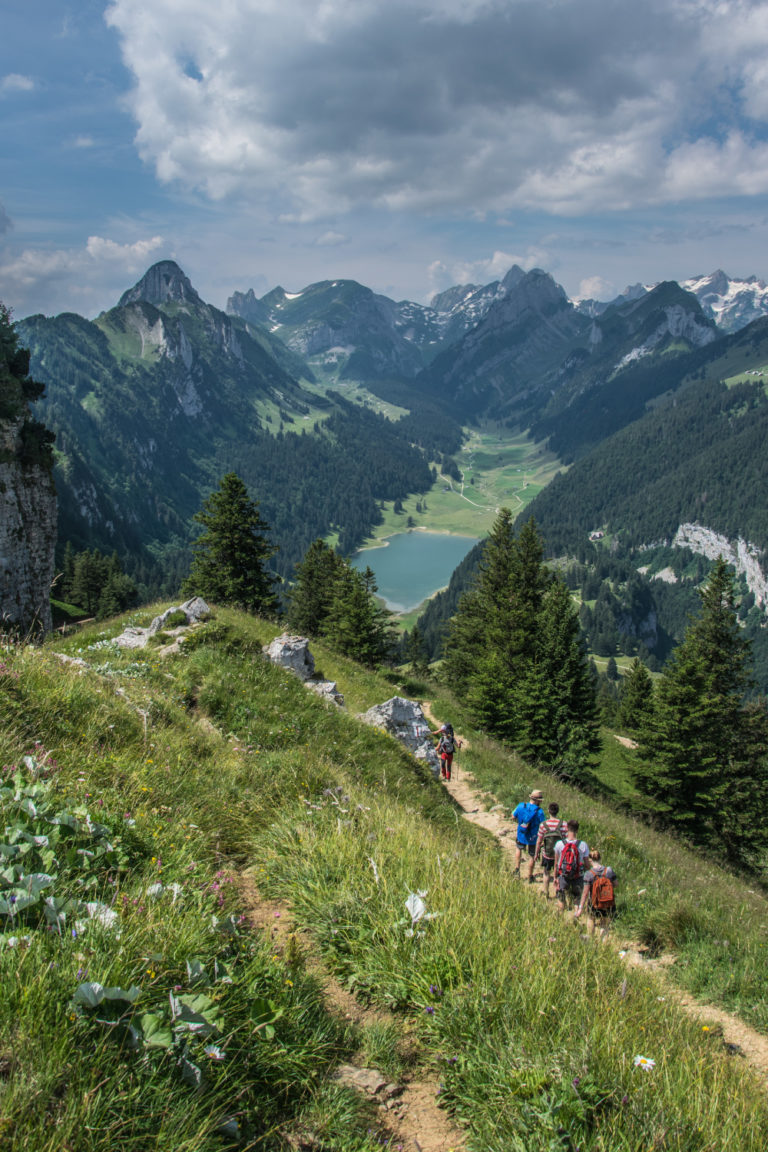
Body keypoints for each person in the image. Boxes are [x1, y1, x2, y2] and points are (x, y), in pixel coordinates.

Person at [576, 849, 617, 938]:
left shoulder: (588, 874)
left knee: (591, 919)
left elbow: (585, 893)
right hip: (607, 902)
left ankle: (591, 941)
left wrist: (580, 907)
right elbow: (616, 884)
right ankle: (603, 944)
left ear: (590, 860)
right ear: (600, 858)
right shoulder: (609, 870)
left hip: (594, 903)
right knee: (605, 924)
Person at [554, 820, 591, 915]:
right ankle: (575, 918)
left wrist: (555, 877)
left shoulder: (559, 844)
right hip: (578, 876)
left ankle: (561, 918)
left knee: (561, 898)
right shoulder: (583, 845)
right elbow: (587, 865)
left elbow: (556, 864)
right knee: (577, 898)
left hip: (563, 875)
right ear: (577, 830)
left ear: (567, 829)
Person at [534, 801, 566, 898]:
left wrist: (536, 854)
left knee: (546, 872)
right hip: (560, 854)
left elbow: (539, 841)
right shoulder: (563, 824)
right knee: (559, 874)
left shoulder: (543, 825)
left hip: (547, 853)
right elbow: (565, 841)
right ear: (557, 811)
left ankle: (546, 892)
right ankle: (558, 892)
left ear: (548, 811)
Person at [511, 789, 546, 878]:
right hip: (533, 837)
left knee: (518, 849)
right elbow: (543, 825)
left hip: (521, 833)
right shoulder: (540, 812)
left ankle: (517, 869)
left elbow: (513, 816)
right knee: (532, 855)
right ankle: (530, 875)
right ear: (538, 801)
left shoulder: (521, 806)